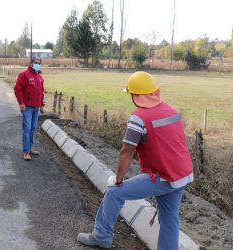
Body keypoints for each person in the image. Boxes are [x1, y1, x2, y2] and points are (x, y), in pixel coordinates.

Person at [77, 71, 194, 249]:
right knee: (170, 221)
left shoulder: (139, 117)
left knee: (114, 193)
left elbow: (127, 151)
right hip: (182, 174)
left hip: (163, 174)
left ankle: (101, 236)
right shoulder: (172, 111)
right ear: (153, 92)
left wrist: (118, 180)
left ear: (136, 95)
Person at [14, 58, 45, 161]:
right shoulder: (24, 74)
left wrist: (41, 105)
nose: (38, 65)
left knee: (33, 128)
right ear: (31, 63)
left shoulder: (40, 76)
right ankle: (26, 152)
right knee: (27, 128)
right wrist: (21, 103)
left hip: (36, 107)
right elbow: (18, 89)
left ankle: (30, 148)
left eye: (39, 63)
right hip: (27, 107)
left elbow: (41, 92)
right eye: (36, 63)